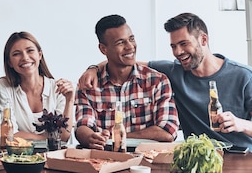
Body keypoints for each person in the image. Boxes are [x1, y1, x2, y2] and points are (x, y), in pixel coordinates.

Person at [79, 12, 252, 152]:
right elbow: (126, 63)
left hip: (240, 157)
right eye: (174, 46)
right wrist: (93, 68)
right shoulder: (173, 71)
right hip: (196, 158)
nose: (178, 52)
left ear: (203, 40)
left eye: (184, 44)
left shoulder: (244, 76)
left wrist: (240, 124)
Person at [75, 14, 179, 150]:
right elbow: (83, 126)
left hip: (147, 164)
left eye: (131, 39)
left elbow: (167, 132)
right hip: (105, 161)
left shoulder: (158, 81)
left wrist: (118, 136)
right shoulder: (89, 85)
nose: (130, 46)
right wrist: (90, 138)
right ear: (103, 49)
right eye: (120, 42)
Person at [0, 32, 74, 142]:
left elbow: (64, 136)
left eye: (30, 51)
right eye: (17, 54)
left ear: (40, 54)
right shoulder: (4, 86)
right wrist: (48, 138)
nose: (25, 58)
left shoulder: (57, 88)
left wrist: (70, 100)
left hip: (54, 155)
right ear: (10, 63)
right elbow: (9, 133)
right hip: (18, 156)